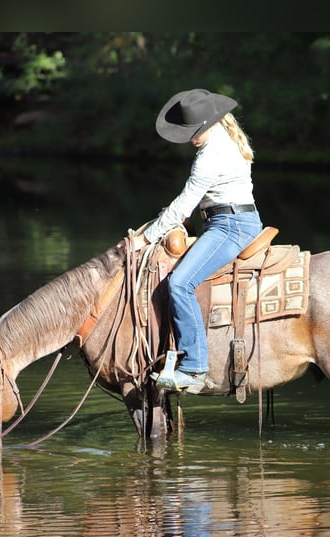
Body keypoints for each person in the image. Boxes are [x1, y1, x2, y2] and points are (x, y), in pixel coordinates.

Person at [128, 88, 262, 393]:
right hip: (230, 221)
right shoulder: (226, 141)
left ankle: (194, 368)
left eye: (194, 131)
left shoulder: (210, 155)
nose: (190, 138)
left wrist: (146, 237)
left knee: (180, 284)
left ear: (209, 124)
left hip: (230, 226)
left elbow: (183, 205)